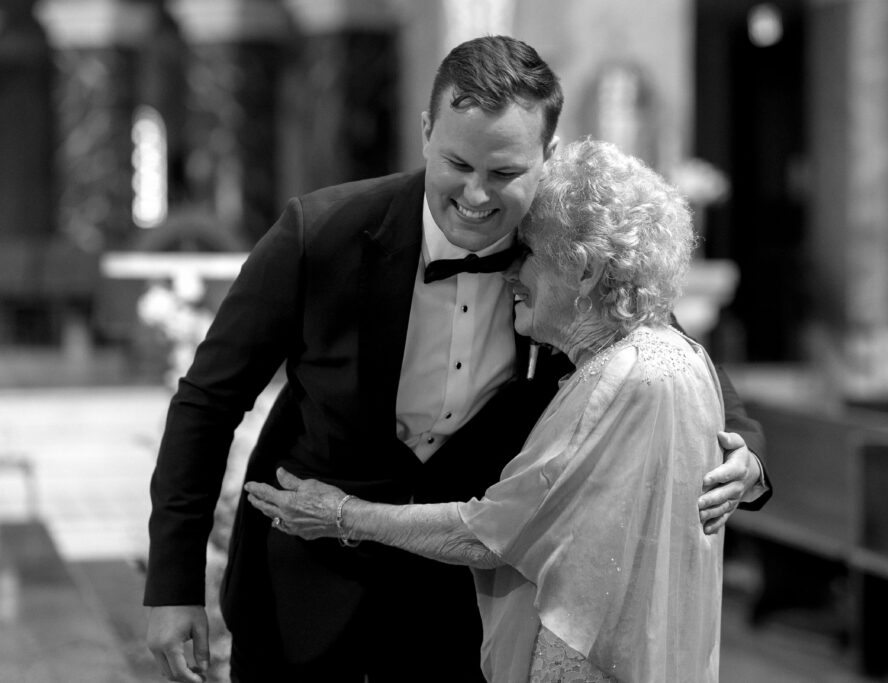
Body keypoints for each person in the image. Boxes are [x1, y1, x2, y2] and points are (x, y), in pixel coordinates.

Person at [145, 36, 770, 683]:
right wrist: (172, 585)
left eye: (503, 173)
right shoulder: (319, 232)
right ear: (425, 131)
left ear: (547, 156)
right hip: (299, 589)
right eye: (458, 163)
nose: (476, 194)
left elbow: (679, 361)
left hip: (459, 613)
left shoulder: (568, 260)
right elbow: (208, 401)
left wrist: (743, 456)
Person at [247, 137, 732, 682]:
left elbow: (490, 533)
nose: (507, 273)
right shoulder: (673, 357)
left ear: (585, 270)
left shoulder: (619, 379)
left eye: (527, 253)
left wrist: (341, 515)